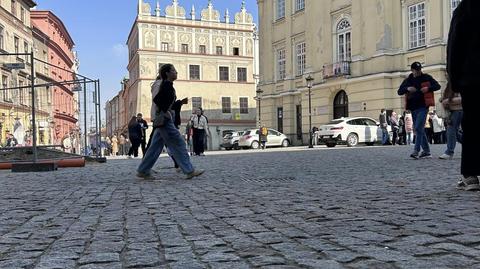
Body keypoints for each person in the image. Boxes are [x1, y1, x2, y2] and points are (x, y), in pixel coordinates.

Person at [137, 64, 204, 179]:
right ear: (167, 73)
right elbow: (157, 99)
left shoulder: (168, 85)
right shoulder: (164, 84)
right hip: (164, 120)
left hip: (163, 119)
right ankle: (189, 170)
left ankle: (143, 170)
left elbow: (165, 101)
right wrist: (165, 111)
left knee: (155, 147)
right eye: (173, 70)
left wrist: (176, 105)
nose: (176, 72)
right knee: (179, 143)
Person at [447, 0, 480, 190]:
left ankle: (470, 175)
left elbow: (455, 45)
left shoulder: (466, 8)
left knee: (473, 125)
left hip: (473, 77)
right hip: (472, 76)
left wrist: (454, 77)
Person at [397, 62, 441, 159]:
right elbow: (399, 91)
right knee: (420, 129)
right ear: (412, 70)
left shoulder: (426, 77)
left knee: (417, 128)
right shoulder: (408, 80)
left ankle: (416, 151)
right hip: (413, 108)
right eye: (416, 70)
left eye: (419, 69)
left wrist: (428, 88)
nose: (418, 71)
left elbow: (437, 86)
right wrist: (407, 88)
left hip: (423, 107)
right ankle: (426, 152)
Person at [439, 82, 463, 160]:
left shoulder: (459, 83)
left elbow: (462, 98)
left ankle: (449, 152)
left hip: (458, 110)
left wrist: (448, 100)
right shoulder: (449, 84)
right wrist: (442, 99)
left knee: (451, 130)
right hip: (451, 111)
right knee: (454, 132)